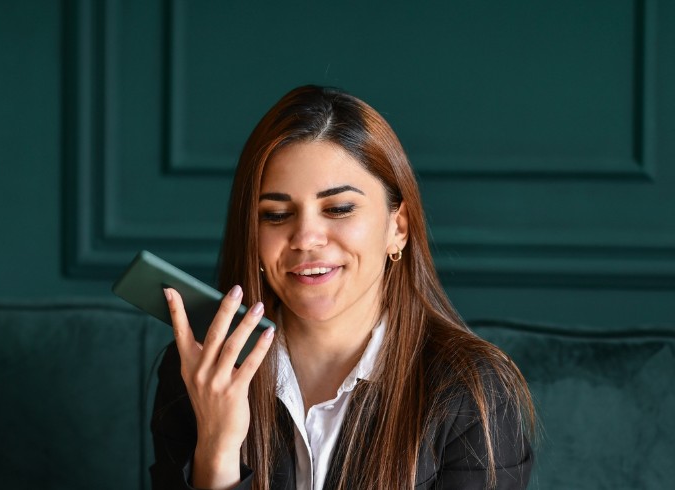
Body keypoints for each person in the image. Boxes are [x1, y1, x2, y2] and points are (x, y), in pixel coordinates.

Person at [150, 85, 535, 489]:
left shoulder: (472, 391)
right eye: (277, 215)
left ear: (397, 228)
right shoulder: (198, 372)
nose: (306, 237)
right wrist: (217, 447)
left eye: (338, 209)